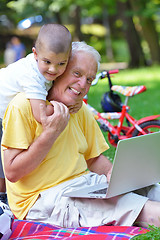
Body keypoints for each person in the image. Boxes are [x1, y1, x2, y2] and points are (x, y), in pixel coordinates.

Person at [2, 41, 160, 228]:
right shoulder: (23, 106)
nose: (83, 84)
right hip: (42, 200)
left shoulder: (80, 108)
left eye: (89, 79)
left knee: (151, 188)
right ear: (59, 71)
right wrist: (51, 132)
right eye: (77, 74)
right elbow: (11, 172)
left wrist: (112, 175)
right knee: (141, 208)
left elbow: (93, 159)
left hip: (83, 185)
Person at [0, 23, 73, 204]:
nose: (53, 70)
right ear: (35, 54)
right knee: (3, 162)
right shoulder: (31, 75)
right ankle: (3, 199)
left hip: (5, 114)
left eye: (61, 64)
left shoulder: (44, 70)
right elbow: (40, 115)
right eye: (47, 62)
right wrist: (63, 108)